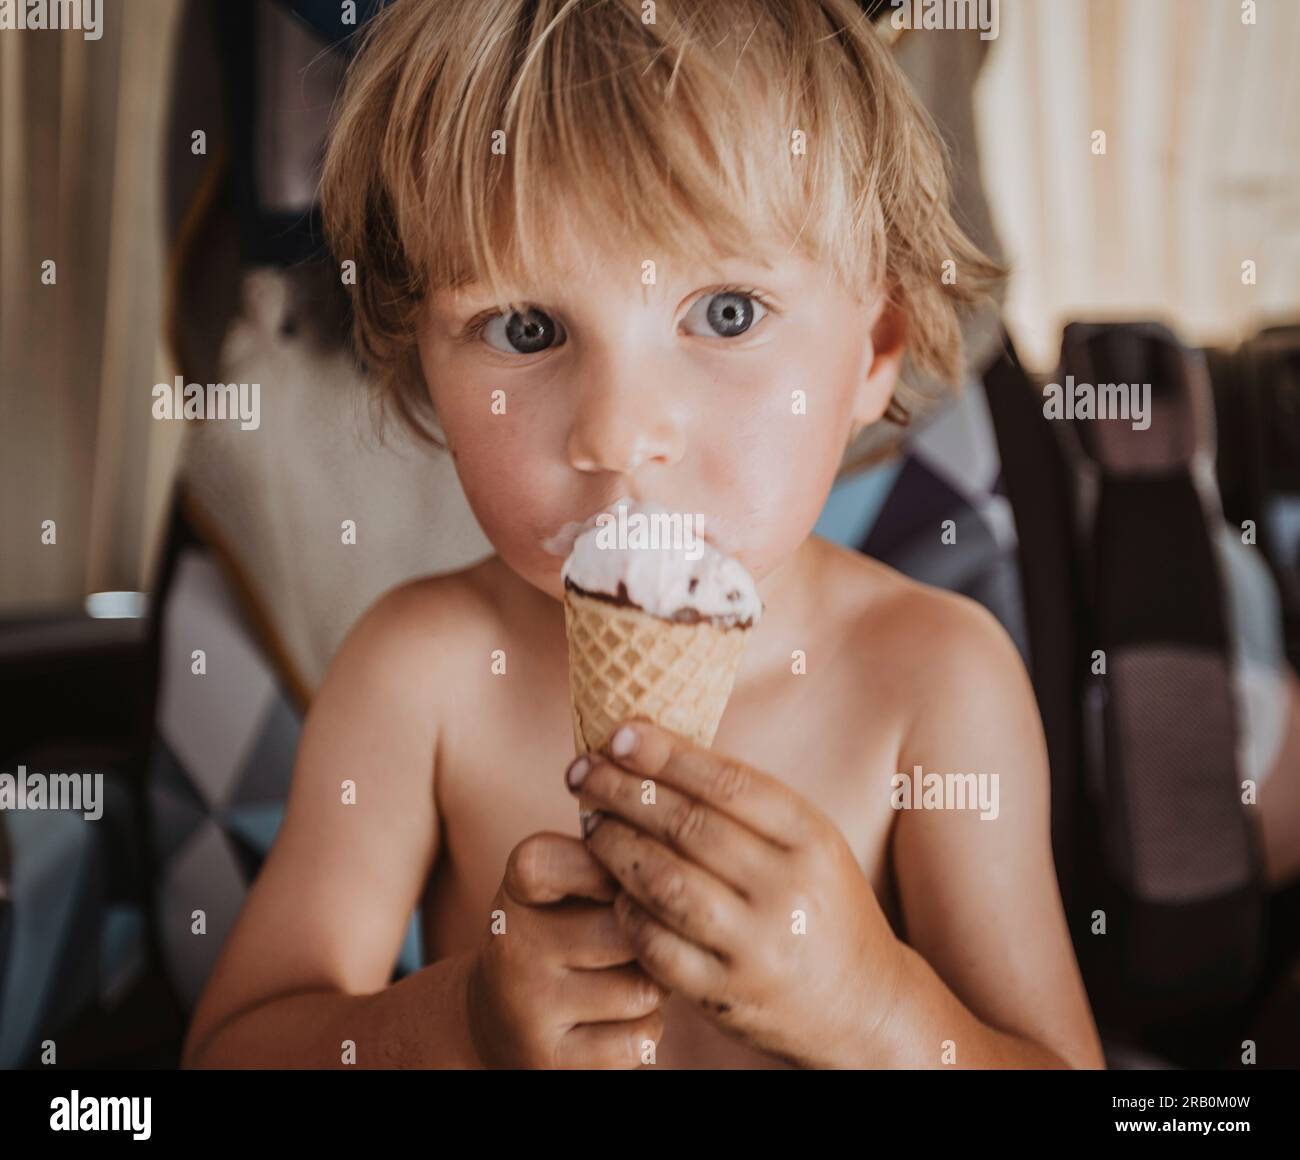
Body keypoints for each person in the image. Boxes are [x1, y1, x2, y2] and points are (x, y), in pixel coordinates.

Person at [182, 0, 1105, 1069]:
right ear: (422, 366)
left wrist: (882, 1013)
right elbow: (234, 1050)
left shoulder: (935, 684)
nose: (616, 432)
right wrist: (455, 1024)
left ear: (876, 347)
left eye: (724, 312)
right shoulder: (419, 673)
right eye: (526, 328)